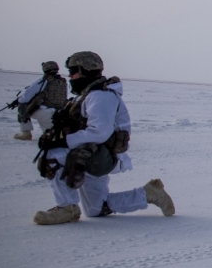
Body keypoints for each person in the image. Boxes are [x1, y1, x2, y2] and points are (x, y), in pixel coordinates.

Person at [32, 51, 175, 225]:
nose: (70, 76)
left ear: (85, 70)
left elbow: (99, 132)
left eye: (73, 71)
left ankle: (67, 208)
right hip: (91, 153)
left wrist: (62, 142)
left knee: (53, 154)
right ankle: (148, 194)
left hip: (100, 156)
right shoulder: (89, 95)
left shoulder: (101, 96)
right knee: (95, 209)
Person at [13, 61, 68, 140]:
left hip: (45, 113)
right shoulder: (63, 81)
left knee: (22, 108)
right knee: (51, 135)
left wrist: (19, 100)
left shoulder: (43, 81)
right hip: (58, 114)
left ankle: (26, 133)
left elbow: (25, 97)